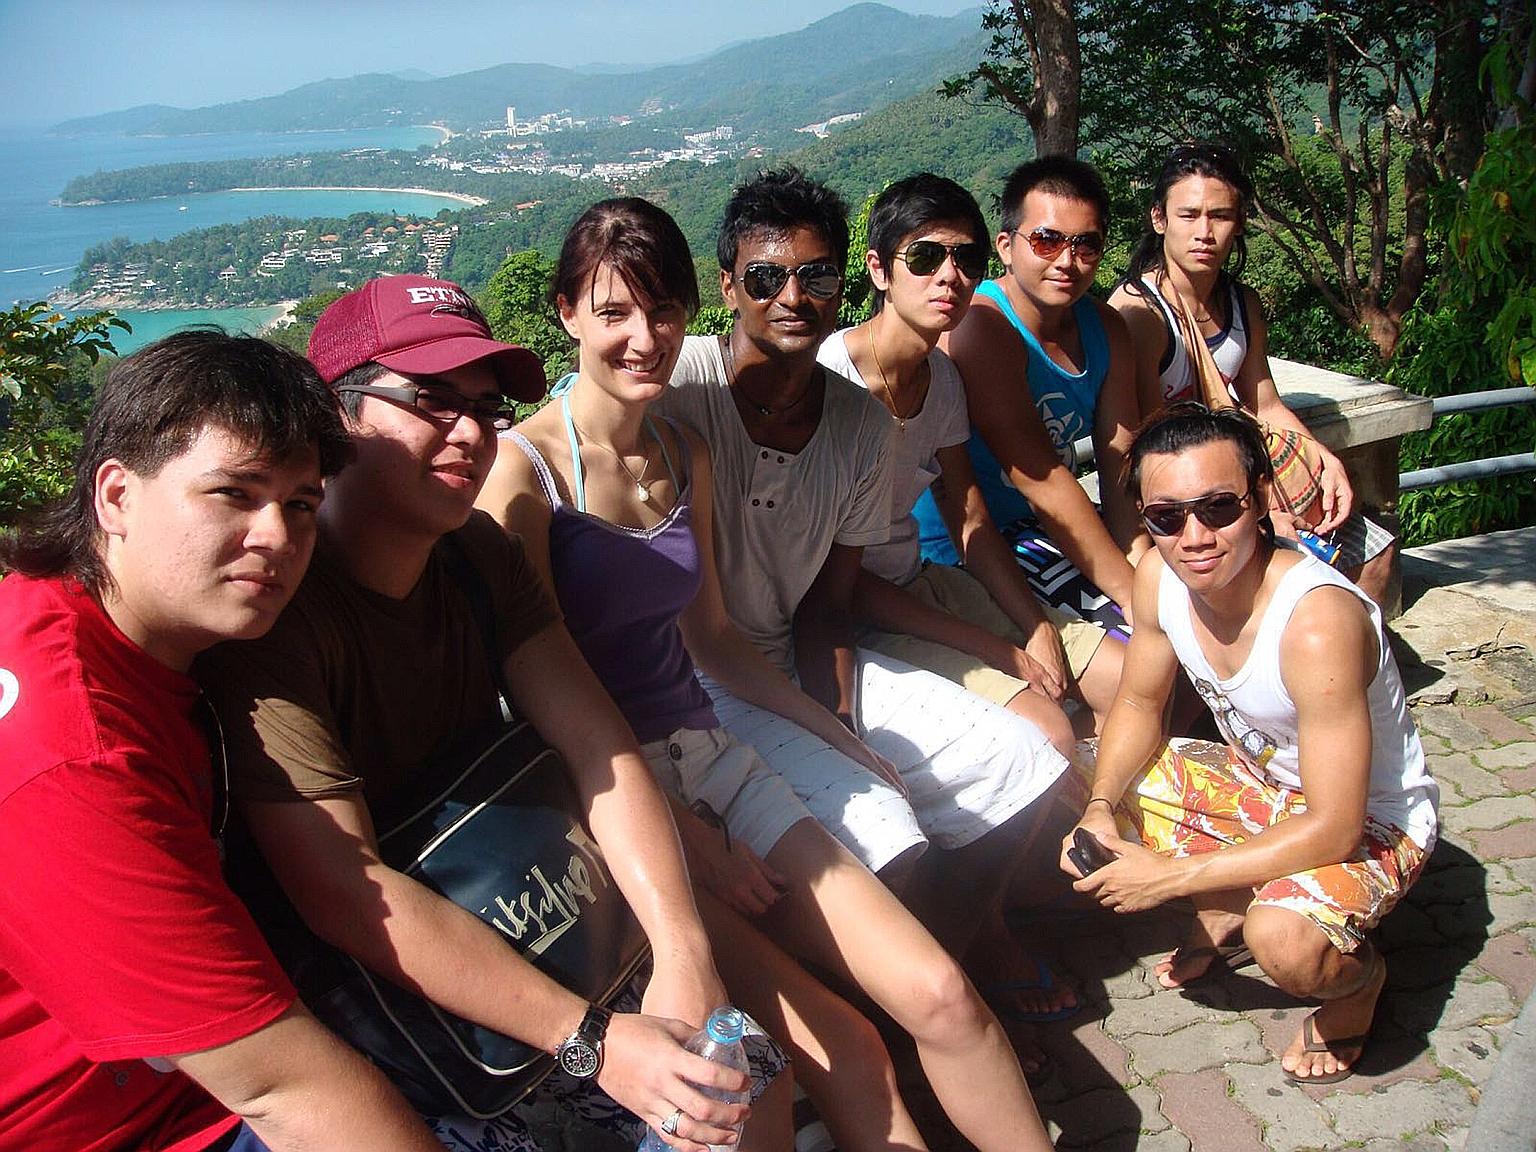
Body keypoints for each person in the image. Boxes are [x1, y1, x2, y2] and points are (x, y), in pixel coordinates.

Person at [477, 195, 1053, 1152]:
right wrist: (690, 841)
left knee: (942, 995)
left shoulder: (681, 450)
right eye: (613, 312)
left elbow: (712, 642)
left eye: (661, 313)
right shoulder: (525, 474)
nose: (643, 338)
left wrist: (835, 737)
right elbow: (530, 701)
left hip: (710, 749)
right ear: (567, 314)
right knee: (858, 1053)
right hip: (611, 797)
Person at [196, 276, 788, 1152]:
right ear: (334, 415)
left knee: (738, 1083)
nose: (469, 431)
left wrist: (684, 953)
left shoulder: (476, 555)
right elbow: (341, 891)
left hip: (520, 904)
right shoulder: (280, 613)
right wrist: (593, 1041)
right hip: (386, 996)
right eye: (430, 400)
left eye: (483, 404)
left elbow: (600, 747)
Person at [656, 167, 1075, 1053]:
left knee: (1024, 759)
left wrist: (838, 721)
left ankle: (937, 981)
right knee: (884, 829)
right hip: (695, 675)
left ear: (845, 281)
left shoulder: (856, 425)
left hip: (785, 658)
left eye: (815, 275)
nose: (792, 296)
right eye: (766, 278)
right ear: (729, 285)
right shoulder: (678, 388)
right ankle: (882, 1011)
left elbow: (826, 603)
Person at [0, 331, 445, 1151]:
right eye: (234, 494)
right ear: (116, 496)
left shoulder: (98, 626)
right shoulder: (71, 751)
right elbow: (288, 1089)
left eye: (301, 504)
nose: (277, 537)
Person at [1062, 402, 1438, 1085]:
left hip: (1371, 819)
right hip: (1266, 785)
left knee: (1286, 945)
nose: (1195, 536)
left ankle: (1358, 988)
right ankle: (1234, 897)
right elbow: (1140, 705)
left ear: (1261, 500)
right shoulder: (1157, 577)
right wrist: (1098, 809)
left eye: (1218, 508)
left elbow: (1335, 824)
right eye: (1167, 517)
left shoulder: (1316, 620)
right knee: (1084, 777)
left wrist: (1170, 877)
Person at [816, 172, 1119, 741]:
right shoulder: (832, 384)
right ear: (879, 269)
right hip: (855, 616)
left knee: (1127, 677)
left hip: (922, 583)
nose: (949, 277)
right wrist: (1001, 649)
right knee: (1045, 730)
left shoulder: (944, 381)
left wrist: (1035, 626)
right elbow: (836, 581)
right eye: (926, 257)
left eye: (966, 259)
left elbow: (969, 516)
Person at [1108, 142, 1396, 605]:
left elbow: (1264, 403)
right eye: (1189, 215)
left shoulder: (1242, 303)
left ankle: (1349, 670)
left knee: (1374, 554)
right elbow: (1153, 442)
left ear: (1238, 223)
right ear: (1159, 219)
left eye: (1220, 216)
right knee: (1295, 578)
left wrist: (1325, 463)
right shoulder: (1140, 313)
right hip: (1190, 496)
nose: (1204, 232)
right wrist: (1258, 517)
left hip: (1237, 476)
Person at [915, 156, 1144, 638]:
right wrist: (1134, 595)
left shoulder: (1106, 329)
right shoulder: (983, 326)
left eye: (1086, 245)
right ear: (1005, 245)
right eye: (1046, 240)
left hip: (1045, 526)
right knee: (1136, 644)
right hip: (972, 545)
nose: (1066, 261)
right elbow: (1041, 480)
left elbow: (1121, 466)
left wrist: (1140, 560)